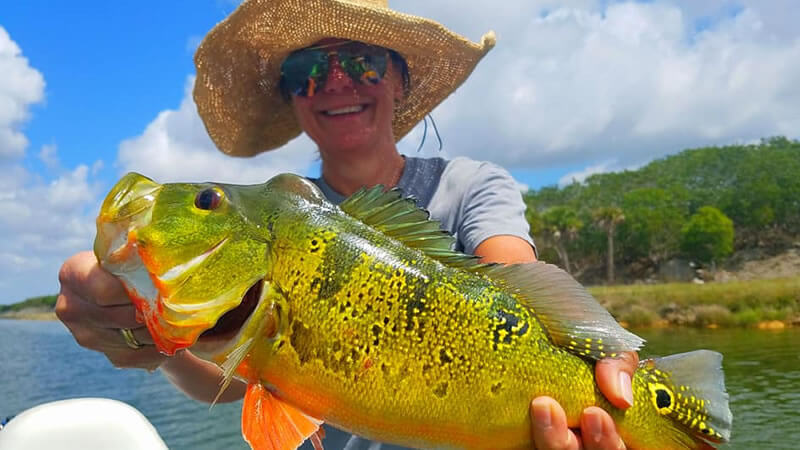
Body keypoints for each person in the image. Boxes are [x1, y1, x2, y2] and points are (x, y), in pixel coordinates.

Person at [56, 1, 637, 448]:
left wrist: (605, 364)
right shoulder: (280, 214)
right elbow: (231, 381)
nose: (336, 82)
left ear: (399, 80)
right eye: (307, 70)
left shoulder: (472, 185)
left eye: (362, 62)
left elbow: (516, 279)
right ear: (291, 97)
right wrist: (148, 334)